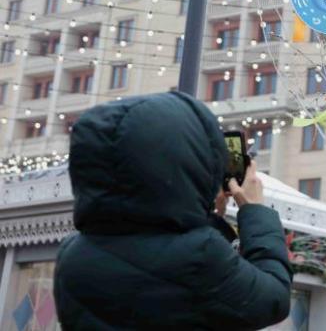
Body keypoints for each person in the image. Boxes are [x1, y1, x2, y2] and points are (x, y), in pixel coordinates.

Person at [54, 92, 292, 329]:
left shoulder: (72, 255)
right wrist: (253, 210)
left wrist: (206, 214)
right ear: (186, 162)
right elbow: (272, 300)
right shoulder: (200, 256)